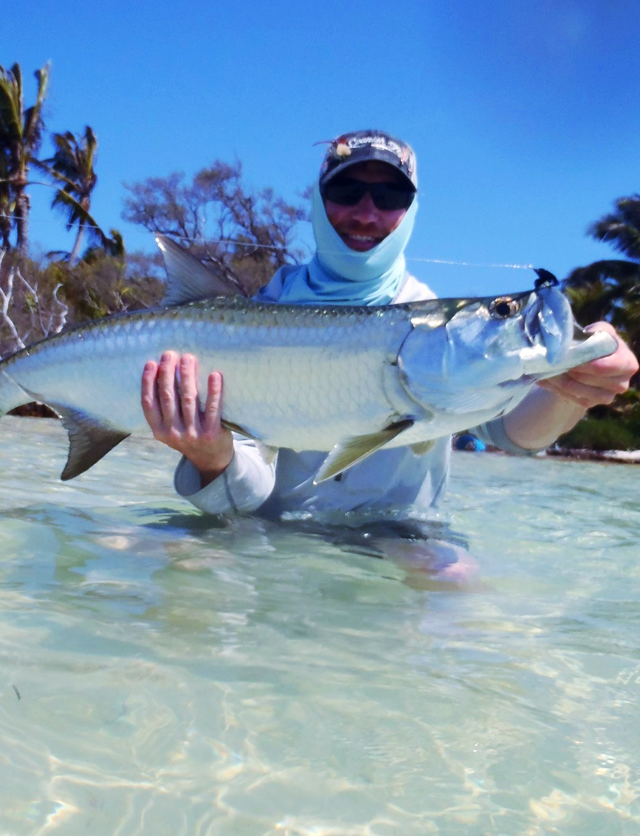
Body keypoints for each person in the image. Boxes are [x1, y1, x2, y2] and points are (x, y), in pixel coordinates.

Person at [141, 131, 638, 576]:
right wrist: (212, 459)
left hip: (402, 541)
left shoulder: (439, 321)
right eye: (345, 191)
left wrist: (576, 389)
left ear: (411, 209)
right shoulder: (259, 316)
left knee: (464, 593)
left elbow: (515, 433)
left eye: (390, 195)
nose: (365, 213)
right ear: (318, 200)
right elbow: (241, 499)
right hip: (268, 537)